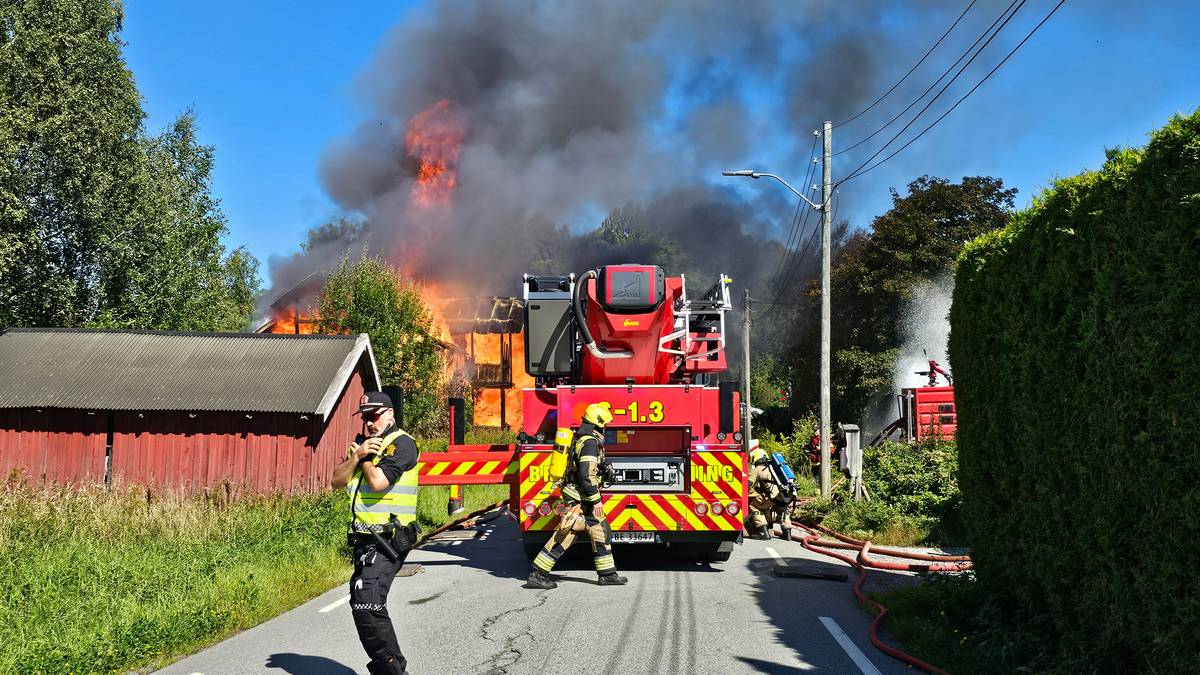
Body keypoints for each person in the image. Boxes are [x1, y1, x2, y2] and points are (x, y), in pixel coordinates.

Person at [330, 391, 420, 675]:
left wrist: (365, 458)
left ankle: (394, 671)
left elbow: (379, 481)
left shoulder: (402, 444)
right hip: (364, 542)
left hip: (389, 540)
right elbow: (336, 480)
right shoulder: (362, 447)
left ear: (390, 415)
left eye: (375, 416)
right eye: (365, 417)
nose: (369, 423)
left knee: (367, 601)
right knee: (361, 603)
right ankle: (385, 669)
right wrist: (356, 454)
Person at [525, 403, 628, 589]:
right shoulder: (589, 442)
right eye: (605, 425)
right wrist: (596, 499)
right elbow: (586, 474)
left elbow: (587, 467)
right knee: (567, 533)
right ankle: (537, 574)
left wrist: (604, 467)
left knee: (600, 529)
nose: (606, 428)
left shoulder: (583, 438)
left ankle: (607, 574)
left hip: (583, 496)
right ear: (598, 423)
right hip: (580, 497)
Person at [746, 446, 793, 541]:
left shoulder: (758, 469)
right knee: (782, 508)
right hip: (784, 496)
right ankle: (787, 534)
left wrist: (754, 494)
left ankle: (763, 532)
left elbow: (748, 485)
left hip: (771, 497)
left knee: (754, 505)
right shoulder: (775, 468)